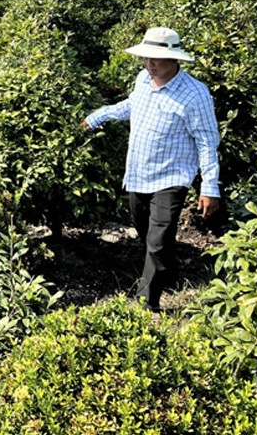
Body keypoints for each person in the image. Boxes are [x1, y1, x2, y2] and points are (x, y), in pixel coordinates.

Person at [81, 26, 221, 313]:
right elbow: (130, 106)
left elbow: (207, 140)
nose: (149, 63)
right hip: (139, 172)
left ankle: (147, 304)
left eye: (155, 58)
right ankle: (169, 274)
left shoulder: (195, 94)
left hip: (172, 176)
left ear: (175, 59)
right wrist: (97, 117)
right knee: (146, 233)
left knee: (158, 239)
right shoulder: (143, 80)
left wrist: (209, 187)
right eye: (146, 57)